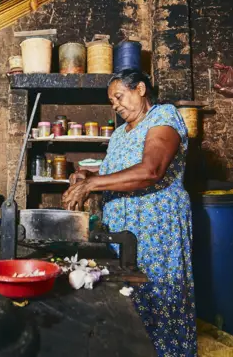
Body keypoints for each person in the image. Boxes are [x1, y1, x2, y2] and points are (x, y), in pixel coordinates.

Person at [62, 69, 196, 356]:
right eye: (112, 101)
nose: (116, 105)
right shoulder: (122, 133)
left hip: (156, 232)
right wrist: (86, 174)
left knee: (159, 301)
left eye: (120, 96)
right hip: (122, 234)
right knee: (126, 306)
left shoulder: (163, 117)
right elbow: (115, 169)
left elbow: (151, 170)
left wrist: (92, 185)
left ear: (141, 89)